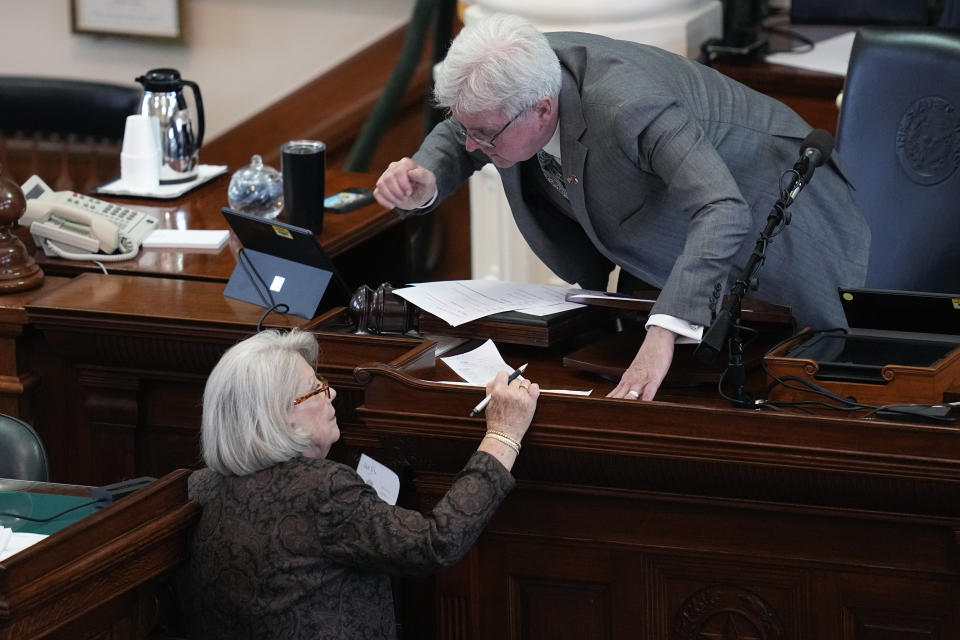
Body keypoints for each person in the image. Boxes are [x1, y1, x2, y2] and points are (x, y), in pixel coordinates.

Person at [374, 13, 870, 401]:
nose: (475, 142)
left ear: (543, 108)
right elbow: (463, 128)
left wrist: (665, 331)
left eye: (486, 134)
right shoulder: (513, 78)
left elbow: (722, 208)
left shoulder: (627, 103)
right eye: (471, 129)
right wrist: (429, 176)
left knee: (812, 379)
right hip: (670, 238)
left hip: (781, 214)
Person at [179, 328, 539, 639]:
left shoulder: (203, 487)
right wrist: (503, 434)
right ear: (277, 419)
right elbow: (435, 542)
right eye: (314, 389)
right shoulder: (322, 491)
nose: (331, 393)